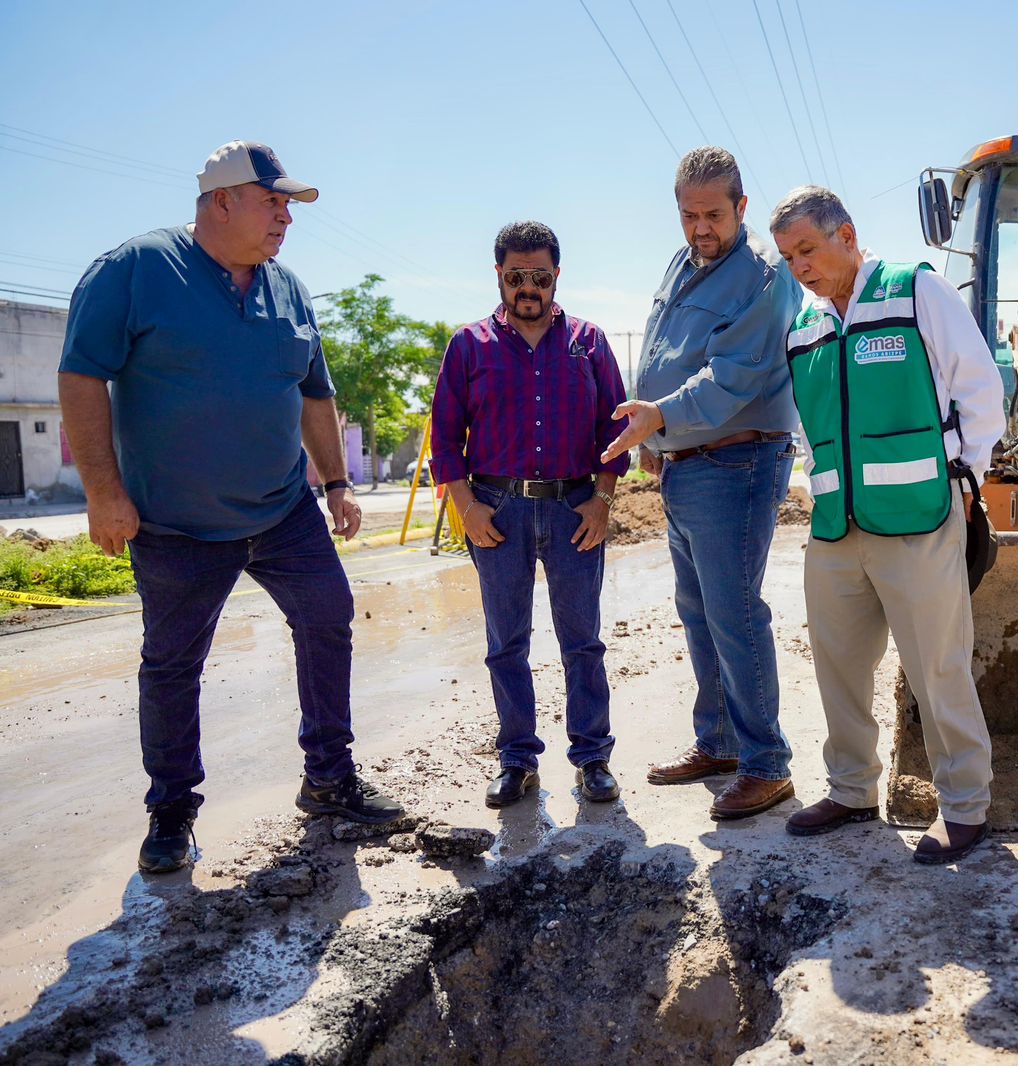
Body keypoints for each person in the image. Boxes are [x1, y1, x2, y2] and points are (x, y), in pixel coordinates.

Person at [57, 140, 404, 875]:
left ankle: (329, 778)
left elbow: (315, 392)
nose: (286, 217)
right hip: (175, 525)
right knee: (174, 664)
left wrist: (337, 483)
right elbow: (82, 377)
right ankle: (172, 809)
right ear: (222, 201)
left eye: (289, 206)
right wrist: (103, 491)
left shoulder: (290, 289)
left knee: (327, 616)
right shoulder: (136, 272)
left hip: (283, 511)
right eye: (273, 202)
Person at [768, 186, 1005, 864]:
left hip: (920, 520)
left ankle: (964, 806)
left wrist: (967, 480)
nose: (800, 267)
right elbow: (810, 430)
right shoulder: (806, 328)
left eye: (807, 250)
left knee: (936, 665)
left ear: (846, 235)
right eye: (789, 257)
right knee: (839, 667)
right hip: (837, 530)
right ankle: (850, 789)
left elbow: (978, 387)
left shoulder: (914, 291)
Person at [600, 147, 802, 821]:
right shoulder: (683, 265)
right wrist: (656, 438)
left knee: (736, 612)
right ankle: (718, 743)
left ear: (742, 208)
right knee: (699, 610)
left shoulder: (763, 278)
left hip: (737, 464)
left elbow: (734, 377)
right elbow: (662, 350)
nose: (700, 228)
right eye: (688, 215)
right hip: (688, 465)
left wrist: (665, 416)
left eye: (713, 214)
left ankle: (767, 763)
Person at [430, 221, 629, 809]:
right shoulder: (469, 345)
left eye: (538, 276)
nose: (527, 287)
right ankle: (517, 760)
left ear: (556, 276)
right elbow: (444, 439)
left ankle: (592, 758)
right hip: (497, 511)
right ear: (499, 275)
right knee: (506, 644)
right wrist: (466, 507)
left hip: (574, 509)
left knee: (582, 641)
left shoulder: (589, 342)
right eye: (516, 276)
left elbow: (614, 430)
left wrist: (603, 499)